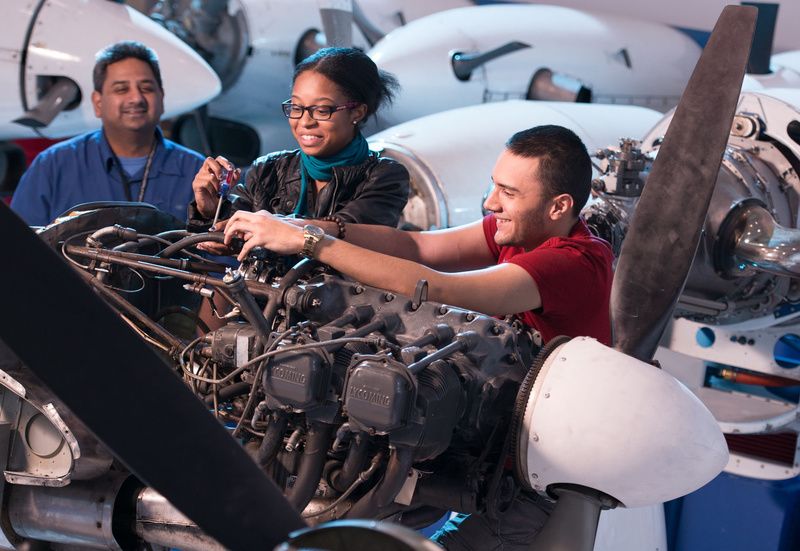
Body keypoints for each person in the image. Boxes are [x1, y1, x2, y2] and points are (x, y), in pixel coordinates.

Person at [221, 125, 614, 548]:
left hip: (528, 483)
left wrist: (310, 243)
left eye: (509, 193)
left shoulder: (576, 262)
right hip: (484, 452)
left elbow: (437, 286)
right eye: (493, 185)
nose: (490, 202)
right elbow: (417, 247)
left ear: (559, 206)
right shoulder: (519, 232)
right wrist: (303, 226)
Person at [188, 47, 409, 241]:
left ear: (357, 112)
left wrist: (271, 227)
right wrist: (211, 211)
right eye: (296, 108)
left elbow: (343, 236)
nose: (305, 122)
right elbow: (234, 229)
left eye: (322, 110)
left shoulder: (384, 177)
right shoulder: (269, 169)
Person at [11, 41, 204, 226]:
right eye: (121, 89)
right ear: (98, 103)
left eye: (146, 88)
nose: (136, 98)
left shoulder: (197, 171)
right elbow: (20, 249)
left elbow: (221, 254)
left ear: (161, 98)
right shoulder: (53, 166)